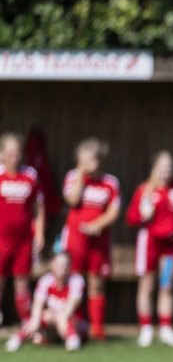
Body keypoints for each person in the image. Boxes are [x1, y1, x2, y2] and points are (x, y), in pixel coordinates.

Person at [126, 151, 173, 347]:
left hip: (171, 246)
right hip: (149, 243)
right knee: (146, 285)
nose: (166, 172)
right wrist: (143, 216)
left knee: (167, 285)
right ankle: (146, 328)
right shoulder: (145, 190)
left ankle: (166, 327)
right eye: (162, 168)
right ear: (154, 168)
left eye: (170, 168)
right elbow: (131, 217)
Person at [61, 138, 119, 341]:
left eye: (91, 159)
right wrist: (81, 175)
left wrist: (98, 225)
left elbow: (114, 211)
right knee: (75, 282)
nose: (88, 163)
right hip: (75, 240)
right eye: (83, 159)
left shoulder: (109, 182)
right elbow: (72, 200)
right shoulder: (72, 177)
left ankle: (97, 328)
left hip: (98, 241)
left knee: (96, 283)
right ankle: (75, 325)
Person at [0, 133, 45, 330]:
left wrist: (40, 232)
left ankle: (27, 322)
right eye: (10, 153)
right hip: (1, 238)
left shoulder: (30, 174)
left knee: (22, 281)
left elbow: (39, 207)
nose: (14, 157)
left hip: (24, 239)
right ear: (2, 154)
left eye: (17, 153)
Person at [6, 252, 85, 352]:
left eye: (65, 265)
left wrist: (61, 316)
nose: (62, 268)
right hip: (52, 320)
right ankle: (18, 338)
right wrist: (35, 321)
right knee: (41, 317)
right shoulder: (46, 280)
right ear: (52, 265)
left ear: (70, 266)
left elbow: (73, 304)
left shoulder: (76, 280)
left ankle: (72, 340)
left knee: (63, 318)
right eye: (59, 264)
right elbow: (38, 304)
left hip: (71, 320)